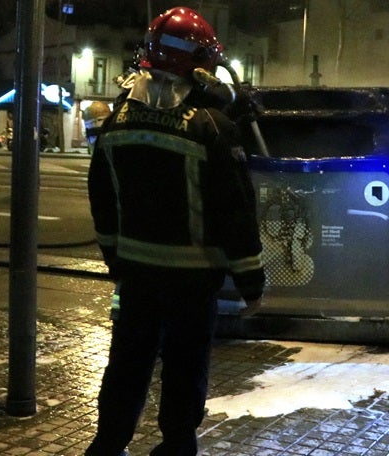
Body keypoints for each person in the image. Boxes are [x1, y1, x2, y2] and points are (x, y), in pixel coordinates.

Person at [84, 7, 266, 456]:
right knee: (185, 368)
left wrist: (115, 258)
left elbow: (102, 199)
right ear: (197, 63)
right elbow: (235, 210)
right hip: (191, 278)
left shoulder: (116, 121)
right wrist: (251, 282)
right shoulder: (211, 127)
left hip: (136, 275)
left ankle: (108, 445)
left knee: (127, 362)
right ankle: (176, 446)